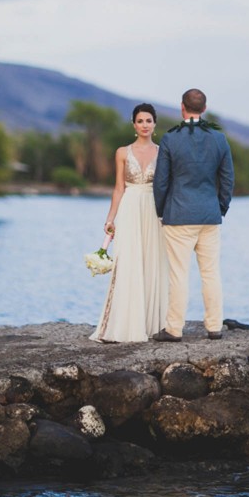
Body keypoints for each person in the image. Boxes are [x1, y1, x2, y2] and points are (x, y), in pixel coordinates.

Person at [152, 88, 234, 342]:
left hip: (178, 214)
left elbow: (161, 181)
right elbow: (227, 178)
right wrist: (220, 207)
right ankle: (214, 327)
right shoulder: (219, 139)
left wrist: (161, 211)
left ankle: (174, 329)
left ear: (182, 108)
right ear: (204, 109)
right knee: (211, 272)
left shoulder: (170, 138)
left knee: (179, 274)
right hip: (209, 215)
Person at [90, 103, 169, 343]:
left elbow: (168, 186)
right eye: (140, 121)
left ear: (154, 124)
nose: (145, 125)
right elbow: (118, 188)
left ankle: (152, 324)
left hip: (155, 210)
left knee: (153, 263)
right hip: (130, 208)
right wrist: (110, 218)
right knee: (129, 263)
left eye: (149, 120)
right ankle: (124, 325)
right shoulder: (122, 152)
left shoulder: (163, 152)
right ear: (133, 125)